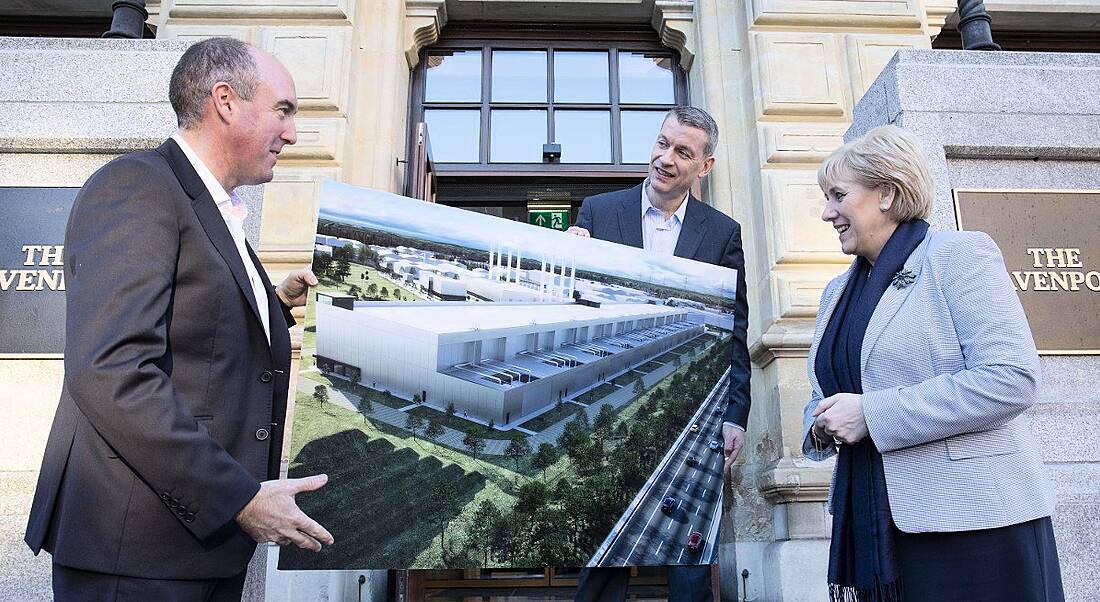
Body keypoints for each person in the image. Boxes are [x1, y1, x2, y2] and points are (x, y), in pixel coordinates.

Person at [24, 37, 334, 600]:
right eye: (283, 110)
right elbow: (110, 371)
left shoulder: (214, 206)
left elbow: (197, 331)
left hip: (196, 553)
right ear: (225, 101)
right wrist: (238, 497)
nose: (291, 133)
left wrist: (276, 307)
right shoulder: (138, 187)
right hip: (137, 557)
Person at [803, 125, 1064, 601]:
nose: (827, 212)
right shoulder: (836, 292)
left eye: (838, 195)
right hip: (877, 530)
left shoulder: (959, 256)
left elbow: (1011, 379)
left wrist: (872, 414)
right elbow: (826, 395)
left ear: (887, 192)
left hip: (976, 525)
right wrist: (820, 423)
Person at [566, 106, 751, 602]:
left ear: (704, 167)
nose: (665, 158)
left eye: (682, 152)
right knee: (603, 553)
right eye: (662, 143)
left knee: (689, 563)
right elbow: (573, 308)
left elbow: (735, 329)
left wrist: (735, 415)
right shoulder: (599, 213)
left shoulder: (722, 233)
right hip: (611, 405)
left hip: (690, 407)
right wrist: (565, 258)